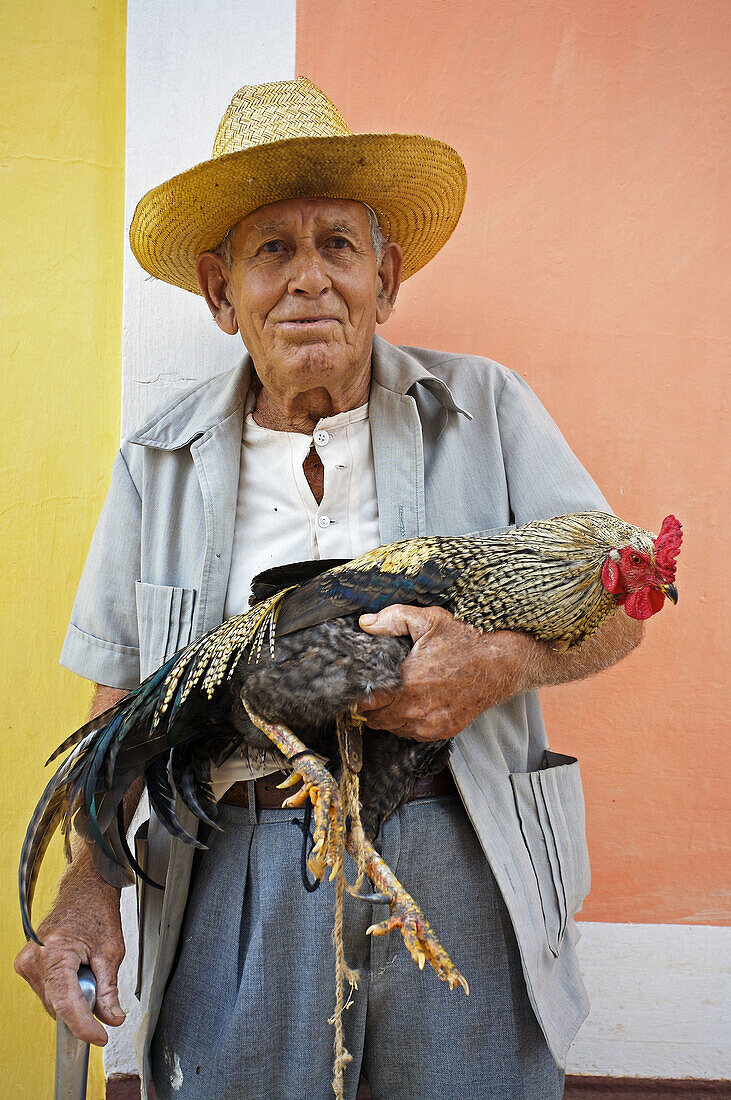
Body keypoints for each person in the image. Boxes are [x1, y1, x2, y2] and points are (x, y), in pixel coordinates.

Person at [16, 78, 643, 1099]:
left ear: (385, 277)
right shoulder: (157, 460)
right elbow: (118, 702)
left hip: (456, 856)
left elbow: (617, 603)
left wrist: (495, 662)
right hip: (234, 869)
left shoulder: (486, 408)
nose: (308, 278)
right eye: (273, 250)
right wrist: (89, 882)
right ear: (223, 292)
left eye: (336, 246)